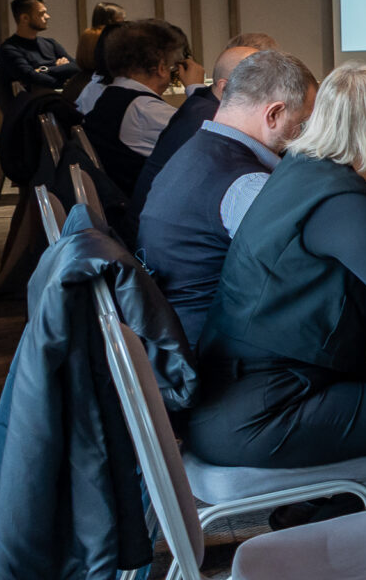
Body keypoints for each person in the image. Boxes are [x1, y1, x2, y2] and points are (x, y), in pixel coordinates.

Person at [189, 63, 366, 505]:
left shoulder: (302, 169)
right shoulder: (340, 200)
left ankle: (327, 518)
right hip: (263, 410)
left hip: (239, 388)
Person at [135, 50, 317, 347]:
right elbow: (305, 278)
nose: (303, 134)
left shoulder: (193, 151)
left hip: (175, 336)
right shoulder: (247, 184)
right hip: (220, 352)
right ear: (273, 114)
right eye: (303, 121)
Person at [133, 31, 279, 209]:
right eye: (261, 81)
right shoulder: (211, 120)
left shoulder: (202, 103)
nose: (271, 91)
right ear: (227, 84)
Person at [79, 20, 189, 196]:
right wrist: (196, 88)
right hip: (144, 206)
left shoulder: (111, 96)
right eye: (173, 65)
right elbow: (209, 143)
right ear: (161, 68)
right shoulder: (143, 109)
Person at [0, 0, 78, 99]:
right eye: (41, 14)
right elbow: (30, 77)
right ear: (25, 18)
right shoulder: (9, 49)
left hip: (62, 98)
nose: (47, 16)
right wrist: (62, 74)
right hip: (37, 103)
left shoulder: (51, 43)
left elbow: (76, 66)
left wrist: (45, 70)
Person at [73, 1, 125, 75]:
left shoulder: (86, 34)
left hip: (85, 74)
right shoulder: (110, 35)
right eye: (122, 20)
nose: (124, 24)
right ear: (111, 21)